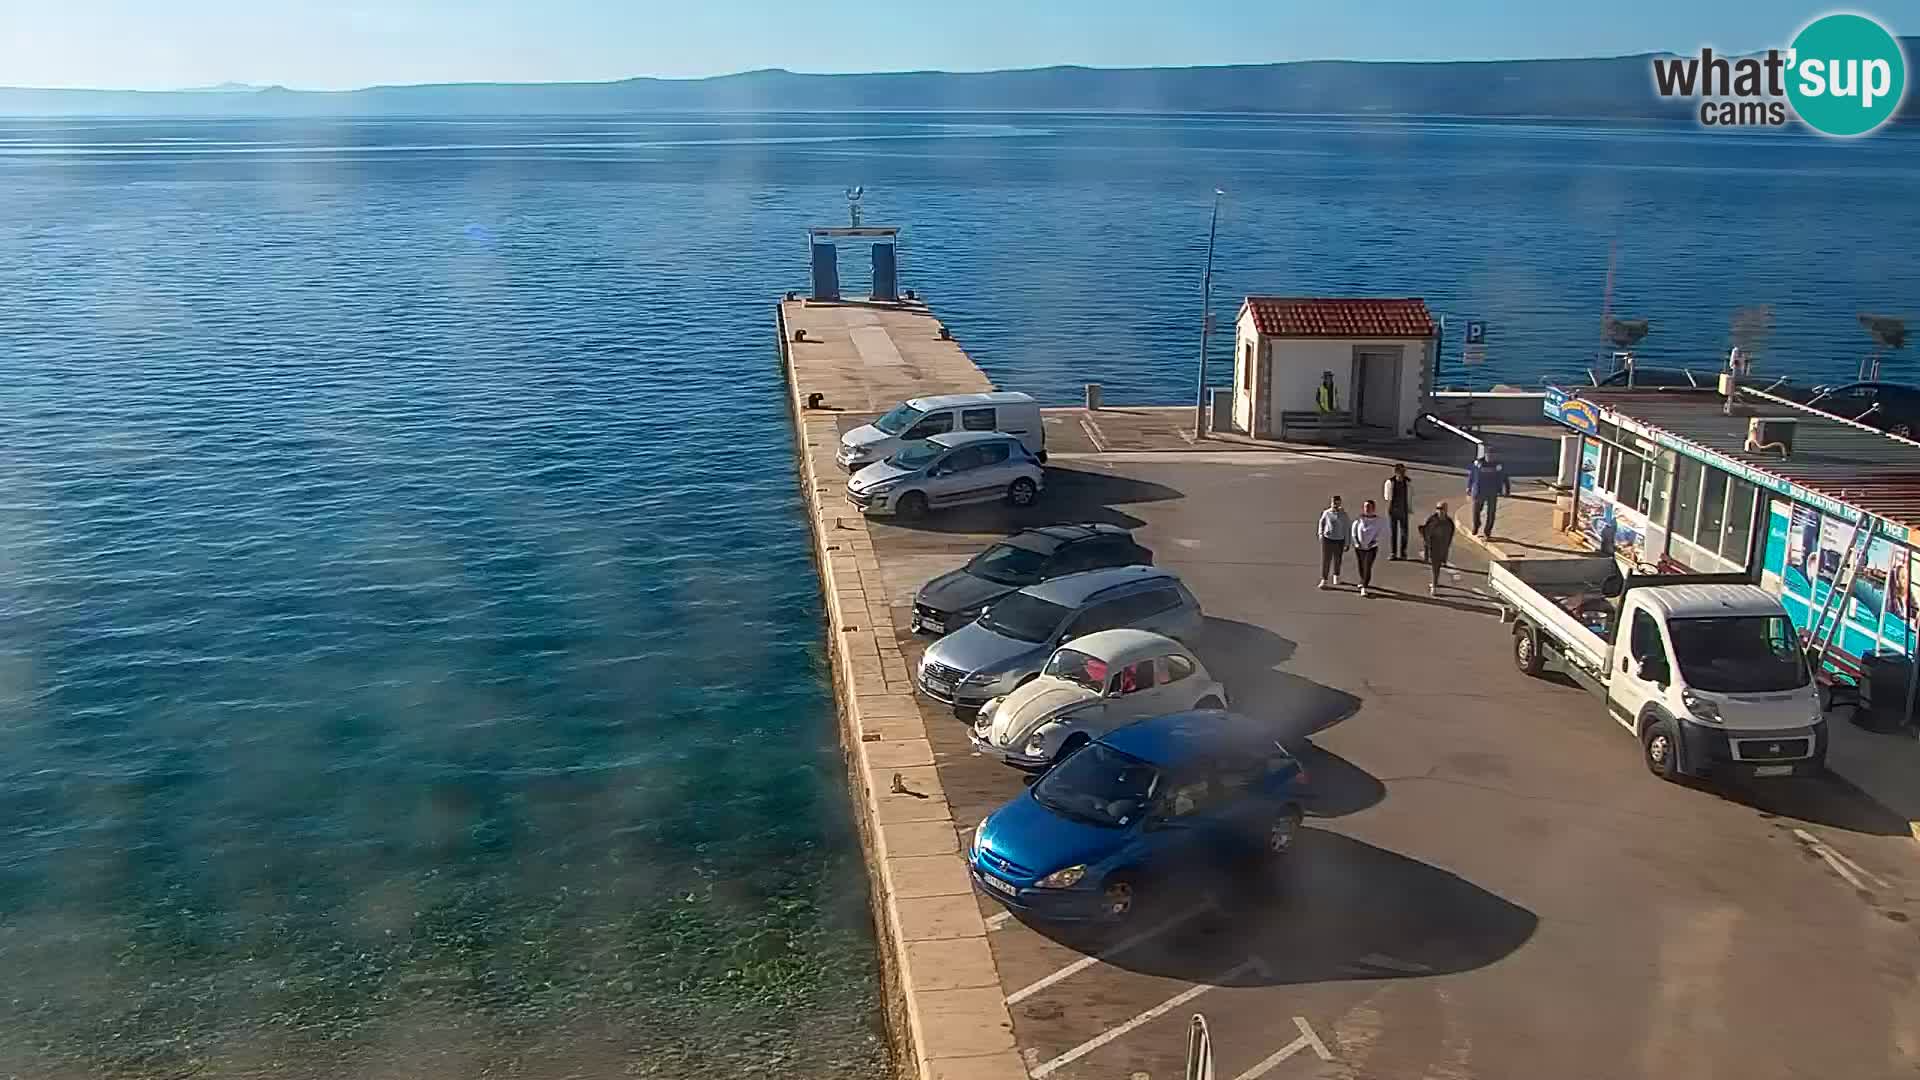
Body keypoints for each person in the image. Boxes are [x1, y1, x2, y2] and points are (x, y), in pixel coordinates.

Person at [1466, 446, 1511, 539]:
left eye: (1493, 455)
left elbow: (1505, 477)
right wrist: (1468, 487)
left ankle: (1487, 531)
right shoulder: (1478, 463)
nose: (1491, 457)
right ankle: (1476, 525)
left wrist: (1507, 489)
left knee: (1491, 512)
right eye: (1489, 455)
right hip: (1479, 491)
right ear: (1485, 455)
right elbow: (1472, 475)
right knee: (1476, 510)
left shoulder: (1498, 465)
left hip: (1492, 491)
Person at [1420, 501, 1456, 596]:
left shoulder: (1449, 523)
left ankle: (1435, 582)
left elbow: (1450, 537)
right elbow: (1425, 534)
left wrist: (1446, 549)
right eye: (1437, 508)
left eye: (1441, 509)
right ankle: (1434, 586)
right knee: (1435, 567)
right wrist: (1427, 548)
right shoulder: (1432, 520)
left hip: (1443, 548)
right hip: (1433, 547)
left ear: (1446, 510)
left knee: (1438, 566)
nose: (1439, 511)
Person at [1351, 499, 1384, 597]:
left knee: (1367, 566)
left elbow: (1380, 533)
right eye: (1366, 507)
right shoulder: (1359, 519)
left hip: (1371, 548)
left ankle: (1364, 587)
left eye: (1369, 507)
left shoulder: (1378, 521)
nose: (1367, 509)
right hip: (1360, 547)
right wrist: (1356, 542)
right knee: (1361, 565)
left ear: (1373, 508)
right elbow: (1354, 531)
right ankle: (1362, 580)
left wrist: (1373, 542)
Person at [1316, 494, 1350, 589]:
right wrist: (1321, 535)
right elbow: (1321, 523)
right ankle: (1324, 579)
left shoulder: (1344, 514)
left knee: (1337, 559)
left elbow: (1347, 529)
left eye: (1337, 503)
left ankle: (1336, 576)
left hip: (1339, 540)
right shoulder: (1327, 513)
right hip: (1328, 539)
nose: (1335, 505)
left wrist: (1347, 543)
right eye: (1333, 503)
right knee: (1326, 560)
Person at [1383, 464, 1413, 560]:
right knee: (1393, 532)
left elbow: (1410, 495)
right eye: (1401, 472)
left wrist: (1409, 508)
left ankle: (1403, 552)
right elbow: (1387, 496)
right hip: (1393, 509)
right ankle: (1393, 553)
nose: (1403, 474)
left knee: (1404, 532)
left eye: (1403, 472)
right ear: (1396, 472)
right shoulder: (1390, 482)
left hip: (1404, 509)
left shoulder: (1408, 482)